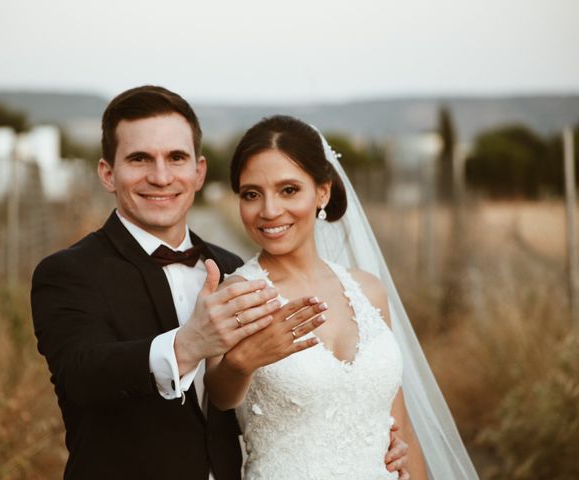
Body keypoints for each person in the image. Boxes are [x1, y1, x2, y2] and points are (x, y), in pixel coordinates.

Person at [30, 86, 409, 479]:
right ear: (108, 173)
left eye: (176, 158)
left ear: (199, 172)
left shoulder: (233, 270)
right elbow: (81, 375)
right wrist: (190, 343)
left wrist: (372, 438)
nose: (160, 177)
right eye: (140, 158)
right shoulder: (69, 273)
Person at [205, 115, 479, 479]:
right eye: (252, 194)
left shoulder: (368, 290)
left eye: (289, 190)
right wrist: (242, 362)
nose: (269, 211)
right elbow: (219, 396)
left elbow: (402, 428)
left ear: (323, 191)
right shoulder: (239, 294)